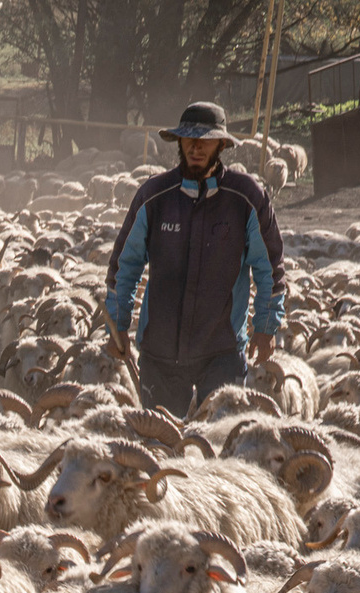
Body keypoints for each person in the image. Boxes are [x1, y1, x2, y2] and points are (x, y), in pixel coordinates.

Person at [102, 101, 286, 419]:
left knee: (218, 443)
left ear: (222, 144)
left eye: (205, 140)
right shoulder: (155, 196)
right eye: (189, 139)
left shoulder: (245, 198)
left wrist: (266, 326)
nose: (196, 148)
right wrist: (118, 325)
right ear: (179, 142)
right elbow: (124, 265)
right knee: (160, 445)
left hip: (222, 349)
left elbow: (269, 267)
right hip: (159, 352)